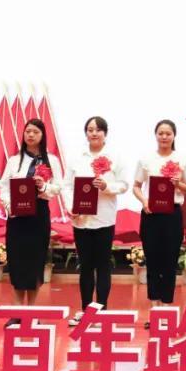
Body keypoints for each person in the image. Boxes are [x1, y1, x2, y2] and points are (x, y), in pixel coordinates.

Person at [63, 116, 129, 323]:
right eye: (90, 129)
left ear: (105, 133)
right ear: (86, 133)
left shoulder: (115, 157)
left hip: (104, 219)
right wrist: (71, 207)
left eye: (98, 129)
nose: (94, 133)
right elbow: (67, 186)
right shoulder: (77, 157)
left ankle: (101, 311)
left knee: (102, 266)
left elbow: (124, 184)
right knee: (85, 266)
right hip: (81, 220)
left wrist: (107, 187)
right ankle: (85, 310)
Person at [0, 118, 63, 321]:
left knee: (35, 261)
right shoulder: (14, 160)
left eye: (35, 131)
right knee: (17, 261)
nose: (31, 135)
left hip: (39, 216)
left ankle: (32, 311)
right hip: (17, 217)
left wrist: (43, 186)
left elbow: (58, 187)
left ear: (42, 135)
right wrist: (9, 205)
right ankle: (17, 311)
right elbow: (3, 187)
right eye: (28, 131)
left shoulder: (51, 160)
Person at [131, 119, 186, 321]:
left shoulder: (182, 159)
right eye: (161, 133)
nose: (164, 137)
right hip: (151, 214)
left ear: (174, 136)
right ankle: (154, 308)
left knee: (169, 261)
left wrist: (178, 184)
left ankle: (166, 308)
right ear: (155, 135)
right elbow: (136, 186)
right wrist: (144, 201)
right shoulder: (146, 159)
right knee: (152, 261)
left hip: (172, 215)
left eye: (168, 133)